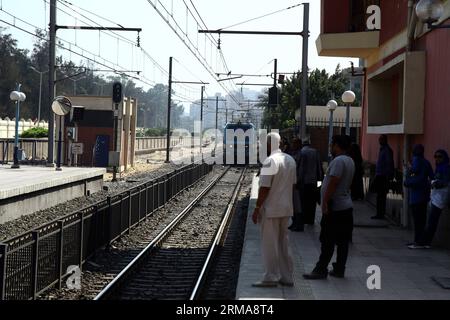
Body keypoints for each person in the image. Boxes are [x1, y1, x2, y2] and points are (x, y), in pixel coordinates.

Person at [303, 135, 355, 280]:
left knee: (327, 240)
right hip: (346, 206)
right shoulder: (350, 160)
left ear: (337, 145)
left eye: (332, 144)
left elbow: (334, 182)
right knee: (343, 241)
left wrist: (324, 202)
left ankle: (320, 269)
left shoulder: (338, 161)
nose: (331, 147)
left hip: (335, 207)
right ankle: (339, 269)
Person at [252, 132, 297, 287]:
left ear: (270, 144)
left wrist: (257, 208)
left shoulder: (270, 161)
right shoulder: (290, 160)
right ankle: (287, 277)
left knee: (269, 244)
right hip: (286, 208)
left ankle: (270, 277)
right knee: (284, 243)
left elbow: (264, 188)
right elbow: (293, 185)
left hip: (271, 210)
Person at [409, 149, 448, 249]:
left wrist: (433, 183)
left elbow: (445, 182)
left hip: (440, 197)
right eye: (435, 156)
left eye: (440, 157)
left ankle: (424, 242)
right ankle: (425, 241)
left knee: (432, 221)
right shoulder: (438, 167)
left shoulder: (446, 168)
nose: (437, 159)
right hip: (435, 196)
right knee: (430, 220)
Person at [404, 144, 434, 249]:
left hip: (416, 196)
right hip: (424, 195)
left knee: (417, 220)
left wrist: (409, 170)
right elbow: (432, 176)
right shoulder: (426, 162)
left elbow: (410, 176)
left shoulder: (416, 161)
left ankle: (418, 241)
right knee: (421, 219)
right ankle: (420, 240)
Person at [298, 137, 323, 225]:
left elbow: (300, 169)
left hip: (304, 183)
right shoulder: (316, 152)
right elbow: (320, 170)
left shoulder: (301, 152)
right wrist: (319, 186)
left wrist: (298, 182)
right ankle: (310, 220)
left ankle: (304, 219)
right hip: (314, 183)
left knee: (303, 202)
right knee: (312, 203)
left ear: (302, 144)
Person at [372, 135, 395, 220]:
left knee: (381, 196)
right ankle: (379, 213)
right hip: (379, 175)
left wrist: (388, 176)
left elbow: (389, 164)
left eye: (381, 139)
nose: (379, 141)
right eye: (379, 139)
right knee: (379, 196)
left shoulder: (387, 150)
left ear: (385, 140)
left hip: (383, 176)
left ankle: (380, 214)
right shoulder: (382, 150)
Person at [289, 138, 304, 232]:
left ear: (299, 144)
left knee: (298, 205)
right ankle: (294, 223)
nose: (292, 145)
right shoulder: (294, 153)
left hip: (297, 183)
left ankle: (299, 225)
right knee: (293, 205)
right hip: (293, 182)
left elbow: (300, 170)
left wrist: (297, 181)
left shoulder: (300, 154)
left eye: (294, 143)